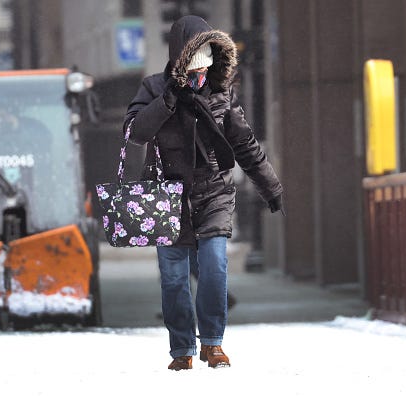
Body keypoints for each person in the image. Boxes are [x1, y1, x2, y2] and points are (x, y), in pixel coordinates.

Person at [124, 15, 284, 371]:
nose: (203, 67)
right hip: (166, 195)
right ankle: (181, 348)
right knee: (174, 277)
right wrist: (167, 101)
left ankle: (213, 343)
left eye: (209, 58)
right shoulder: (153, 88)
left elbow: (245, 145)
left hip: (213, 191)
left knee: (214, 265)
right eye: (196, 59)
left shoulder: (222, 94)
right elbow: (135, 132)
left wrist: (271, 188)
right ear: (181, 58)